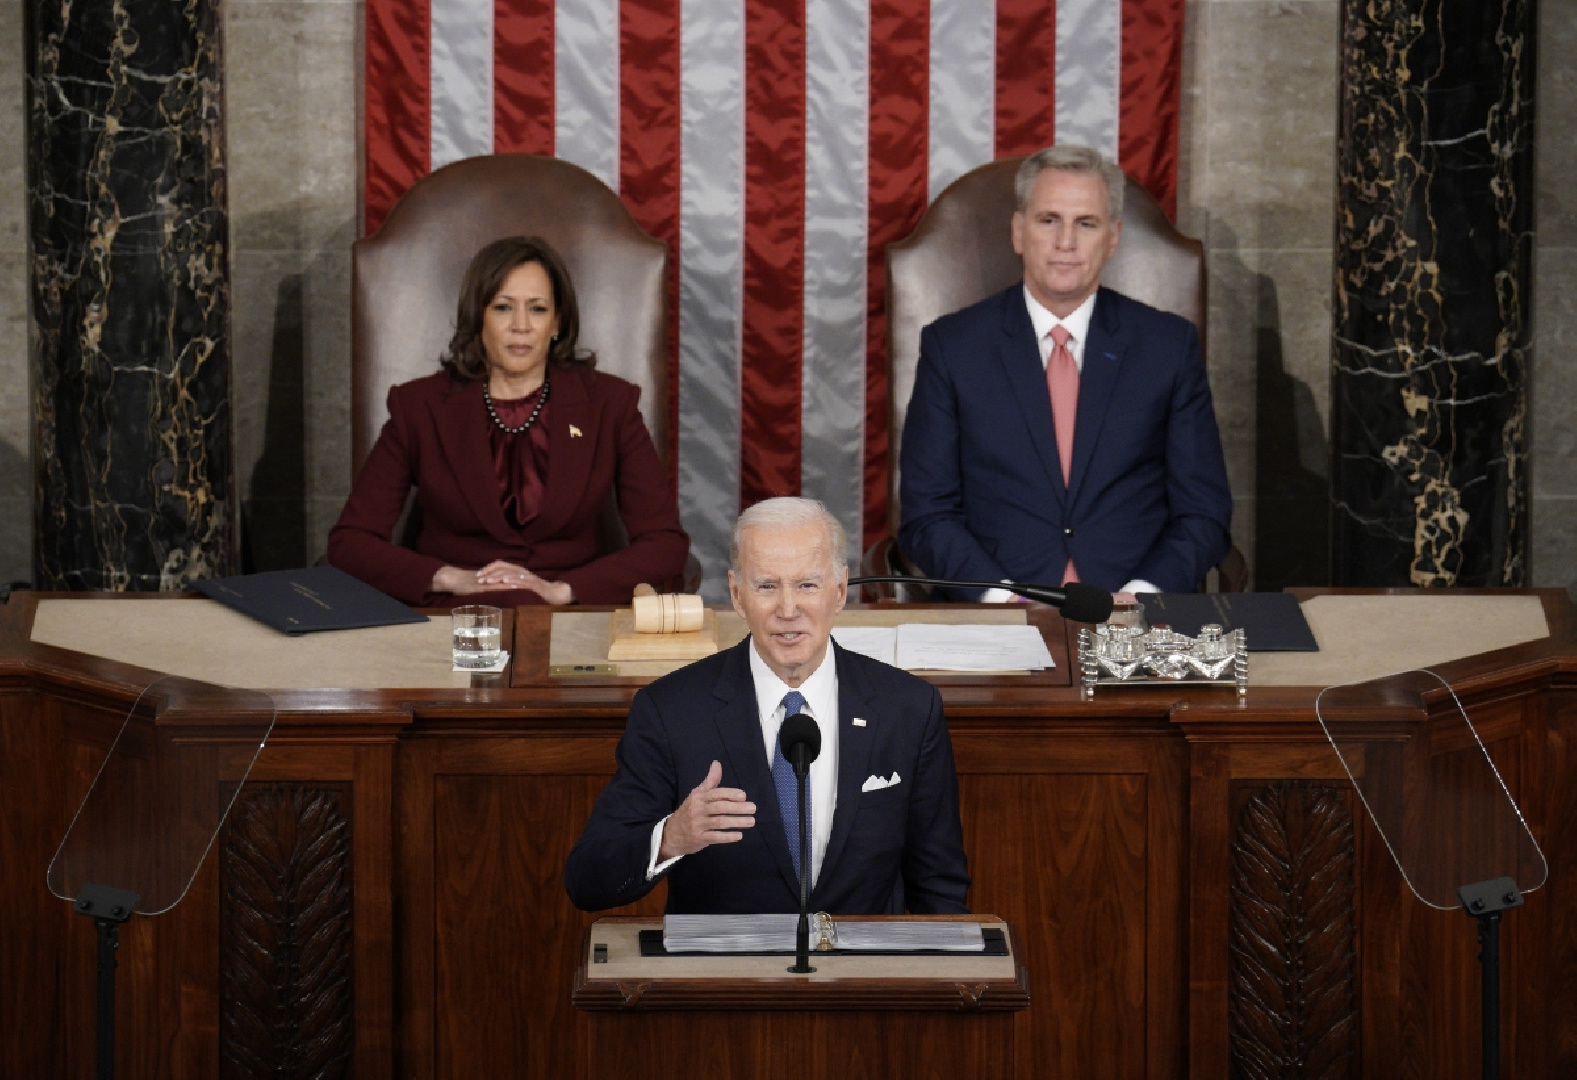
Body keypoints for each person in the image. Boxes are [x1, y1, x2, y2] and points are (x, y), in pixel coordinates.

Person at [564, 497, 970, 915]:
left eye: (807, 585)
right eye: (767, 587)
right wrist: (670, 837)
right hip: (726, 959)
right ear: (737, 595)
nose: (788, 610)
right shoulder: (671, 711)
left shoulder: (908, 708)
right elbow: (587, 880)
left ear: (839, 591)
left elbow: (939, 887)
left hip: (860, 957)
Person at [899, 144, 1233, 599]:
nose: (1066, 242)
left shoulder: (1168, 346)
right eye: (1049, 220)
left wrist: (1141, 594)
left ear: (1112, 238)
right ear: (1019, 232)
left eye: (1086, 223)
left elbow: (1203, 513)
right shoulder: (953, 347)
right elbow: (927, 514)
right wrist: (1002, 598)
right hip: (997, 612)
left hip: (1131, 609)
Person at [328, 236, 689, 606]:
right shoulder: (419, 407)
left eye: (537, 309)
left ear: (557, 323)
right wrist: (452, 578)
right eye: (503, 308)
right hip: (455, 614)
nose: (521, 326)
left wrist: (561, 590)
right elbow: (350, 542)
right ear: (478, 318)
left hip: (571, 614)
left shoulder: (610, 404)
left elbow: (665, 542)